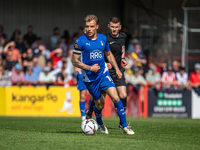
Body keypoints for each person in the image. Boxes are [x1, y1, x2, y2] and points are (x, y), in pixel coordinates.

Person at [71, 14, 134, 135]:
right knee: (100, 104)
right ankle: (99, 122)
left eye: (91, 26)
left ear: (97, 27)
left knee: (116, 97)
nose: (89, 29)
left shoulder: (102, 39)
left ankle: (125, 126)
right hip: (90, 77)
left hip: (103, 73)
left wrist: (117, 69)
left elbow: (109, 54)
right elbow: (74, 61)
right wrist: (90, 68)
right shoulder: (80, 41)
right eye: (87, 26)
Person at [86, 17, 129, 130]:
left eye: (116, 27)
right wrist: (105, 63)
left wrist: (123, 57)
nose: (114, 29)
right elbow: (100, 53)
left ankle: (122, 122)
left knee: (123, 95)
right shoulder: (104, 38)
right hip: (105, 71)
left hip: (117, 70)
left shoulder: (123, 36)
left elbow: (122, 49)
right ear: (109, 26)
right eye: (112, 27)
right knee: (100, 99)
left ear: (119, 27)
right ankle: (90, 112)